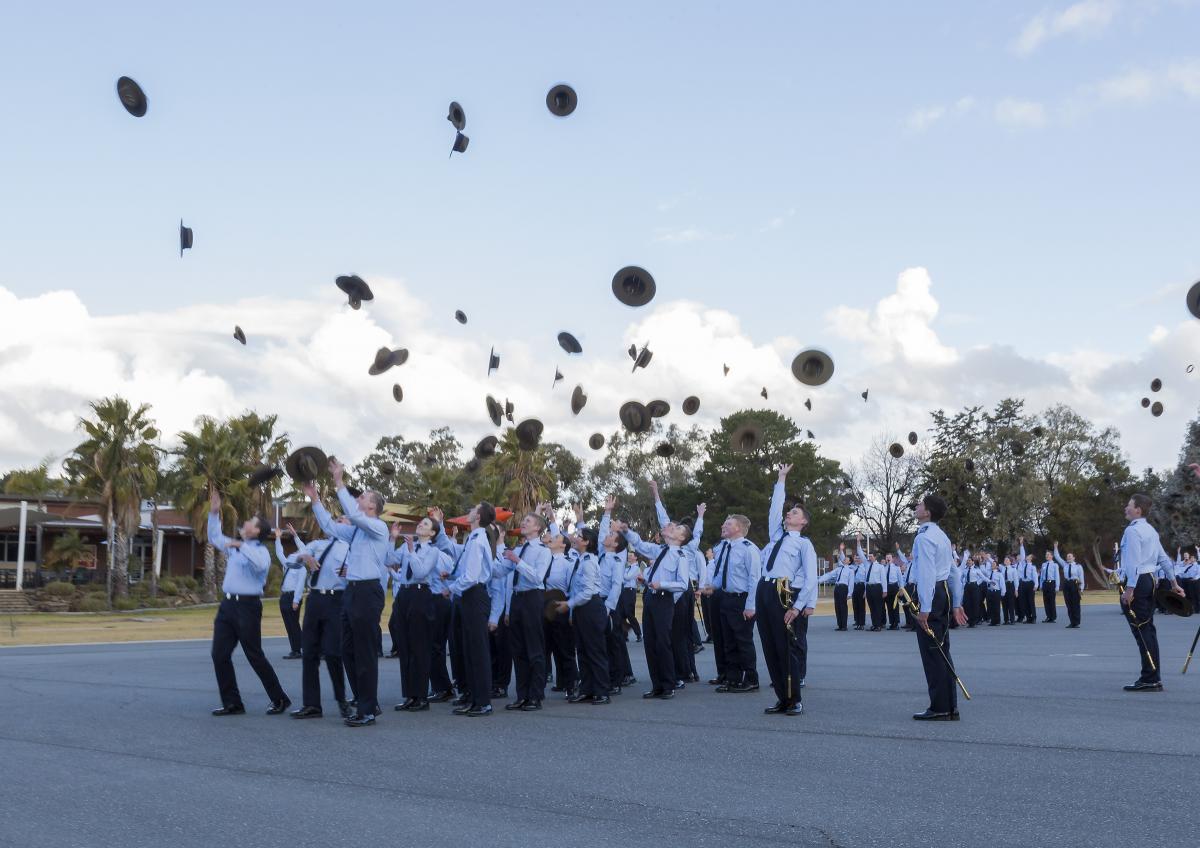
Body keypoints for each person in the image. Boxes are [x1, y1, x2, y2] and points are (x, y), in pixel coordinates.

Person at [303, 459, 389, 728]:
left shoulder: (378, 528)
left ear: (372, 506)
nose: (359, 497)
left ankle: (367, 711)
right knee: (346, 650)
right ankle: (366, 700)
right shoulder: (356, 532)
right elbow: (330, 527)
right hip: (351, 593)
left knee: (364, 652)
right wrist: (316, 500)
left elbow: (353, 515)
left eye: (363, 496)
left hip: (367, 592)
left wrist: (339, 481)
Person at [207, 489, 290, 717]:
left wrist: (240, 546)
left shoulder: (260, 551)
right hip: (227, 607)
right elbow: (214, 538)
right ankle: (233, 703)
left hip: (247, 607)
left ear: (257, 531)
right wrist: (214, 513)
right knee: (219, 654)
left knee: (254, 655)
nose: (244, 523)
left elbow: (261, 566)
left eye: (250, 523)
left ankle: (280, 698)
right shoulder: (236, 547)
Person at [757, 464, 817, 717]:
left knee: (786, 648)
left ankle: (794, 699)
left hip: (784, 593)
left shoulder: (803, 544)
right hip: (765, 591)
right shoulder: (775, 536)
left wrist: (797, 606)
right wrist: (781, 479)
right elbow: (774, 510)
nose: (788, 515)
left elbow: (811, 577)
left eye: (794, 513)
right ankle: (782, 697)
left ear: (803, 521)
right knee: (770, 647)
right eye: (788, 512)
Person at [279, 521, 352, 720]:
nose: (337, 523)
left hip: (336, 599)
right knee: (309, 651)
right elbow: (292, 560)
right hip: (315, 598)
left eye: (343, 521)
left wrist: (352, 571)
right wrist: (305, 556)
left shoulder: (352, 547)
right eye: (336, 521)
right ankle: (312, 705)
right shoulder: (317, 544)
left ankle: (342, 700)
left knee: (332, 652)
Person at [615, 517, 690, 699]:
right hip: (650, 599)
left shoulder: (680, 556)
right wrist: (626, 531)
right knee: (650, 643)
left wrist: (662, 584)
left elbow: (683, 584)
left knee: (663, 643)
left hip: (664, 600)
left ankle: (668, 685)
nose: (672, 528)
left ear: (681, 538)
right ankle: (657, 685)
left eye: (677, 528)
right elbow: (640, 545)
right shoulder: (660, 550)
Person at [436, 501, 498, 716]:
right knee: (468, 649)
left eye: (473, 509)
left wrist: (450, 588)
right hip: (468, 595)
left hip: (474, 595)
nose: (469, 511)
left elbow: (472, 576)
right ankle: (472, 696)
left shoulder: (479, 538)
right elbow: (464, 568)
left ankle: (483, 701)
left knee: (477, 651)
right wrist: (452, 576)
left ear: (478, 517)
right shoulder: (473, 537)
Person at [1118, 493, 1185, 692]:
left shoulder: (1133, 532)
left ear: (1137, 509)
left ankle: (1150, 677)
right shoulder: (1151, 530)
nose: (1125, 508)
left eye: (1128, 504)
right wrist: (1173, 583)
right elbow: (1164, 559)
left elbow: (1133, 562)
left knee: (1142, 631)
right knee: (1148, 630)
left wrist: (1129, 589)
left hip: (1137, 583)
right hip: (1149, 581)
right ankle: (1152, 675)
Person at [909, 494, 967, 721]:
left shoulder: (924, 539)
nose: (917, 506)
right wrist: (957, 603)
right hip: (942, 593)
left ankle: (940, 707)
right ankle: (949, 706)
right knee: (941, 649)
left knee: (933, 652)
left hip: (931, 594)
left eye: (921, 504)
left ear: (928, 512)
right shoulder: (941, 536)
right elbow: (954, 573)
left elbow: (926, 574)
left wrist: (924, 608)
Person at [387, 516, 449, 712]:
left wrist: (413, 551)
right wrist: (392, 538)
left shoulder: (433, 550)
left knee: (419, 647)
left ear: (432, 533)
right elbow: (389, 560)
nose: (420, 525)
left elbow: (421, 572)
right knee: (404, 647)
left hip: (421, 594)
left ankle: (421, 696)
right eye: (420, 522)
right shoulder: (405, 546)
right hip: (404, 594)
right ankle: (410, 695)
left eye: (426, 524)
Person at [497, 509, 552, 712]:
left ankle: (535, 695)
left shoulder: (543, 551)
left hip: (532, 599)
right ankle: (522, 695)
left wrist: (517, 561)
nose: (524, 523)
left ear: (537, 527)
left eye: (528, 521)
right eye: (524, 521)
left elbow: (537, 577)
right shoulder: (519, 549)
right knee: (518, 649)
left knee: (534, 648)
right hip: (517, 599)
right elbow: (503, 571)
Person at [707, 512, 761, 692]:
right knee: (729, 641)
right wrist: (711, 588)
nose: (724, 526)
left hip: (741, 600)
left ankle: (751, 679)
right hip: (726, 598)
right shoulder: (725, 548)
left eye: (728, 524)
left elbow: (754, 579)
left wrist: (751, 606)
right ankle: (733, 679)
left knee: (743, 641)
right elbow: (722, 575)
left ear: (738, 527)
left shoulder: (748, 548)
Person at [562, 528, 612, 704]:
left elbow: (588, 592)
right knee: (582, 650)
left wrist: (568, 604)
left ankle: (602, 691)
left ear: (586, 542)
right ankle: (587, 689)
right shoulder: (580, 559)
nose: (574, 539)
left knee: (595, 650)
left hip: (591, 607)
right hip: (581, 609)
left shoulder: (589, 561)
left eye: (579, 537)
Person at [588, 498, 630, 694]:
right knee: (601, 642)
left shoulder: (616, 561)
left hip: (608, 605)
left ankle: (616, 680)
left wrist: (608, 608)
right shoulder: (601, 553)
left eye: (611, 535)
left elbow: (616, 586)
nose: (606, 535)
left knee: (613, 642)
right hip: (596, 602)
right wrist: (606, 513)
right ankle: (605, 677)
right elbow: (601, 533)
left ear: (615, 544)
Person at [276, 532, 306, 659]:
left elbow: (300, 586)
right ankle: (295, 649)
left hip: (293, 597)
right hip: (284, 596)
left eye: (296, 553)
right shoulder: (288, 565)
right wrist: (277, 537)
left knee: (294, 624)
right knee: (289, 624)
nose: (292, 554)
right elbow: (279, 554)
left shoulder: (301, 568)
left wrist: (296, 600)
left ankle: (299, 649)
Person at [817, 544, 854, 631]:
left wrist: (849, 593)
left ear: (849, 562)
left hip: (843, 588)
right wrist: (818, 581)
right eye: (844, 559)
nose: (844, 559)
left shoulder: (850, 571)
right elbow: (829, 575)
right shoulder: (838, 569)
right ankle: (840, 625)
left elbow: (851, 583)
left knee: (843, 606)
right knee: (837, 606)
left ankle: (844, 625)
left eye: (846, 559)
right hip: (837, 588)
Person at [1053, 542, 1084, 628]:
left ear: (1074, 558)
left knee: (1075, 604)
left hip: (1075, 584)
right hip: (1067, 584)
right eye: (1067, 556)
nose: (1068, 557)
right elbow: (1057, 557)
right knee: (1069, 604)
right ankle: (1072, 622)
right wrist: (1055, 547)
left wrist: (1081, 589)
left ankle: (1077, 622)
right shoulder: (1065, 565)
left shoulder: (1078, 566)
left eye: (1070, 556)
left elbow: (1081, 578)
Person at [1017, 539, 1038, 624]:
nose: (1026, 556)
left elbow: (1035, 576)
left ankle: (1033, 617)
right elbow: (1022, 554)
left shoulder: (1032, 567)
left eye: (1028, 556)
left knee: (1030, 601)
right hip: (1023, 583)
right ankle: (1028, 617)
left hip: (1030, 584)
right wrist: (1021, 544)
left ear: (1031, 559)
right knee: (1024, 601)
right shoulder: (1022, 564)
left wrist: (1036, 585)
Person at [1039, 549, 1059, 623]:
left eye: (1048, 554)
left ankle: (1053, 617)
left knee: (1051, 600)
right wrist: (1041, 585)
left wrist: (1057, 586)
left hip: (1051, 583)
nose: (1046, 556)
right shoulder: (1043, 564)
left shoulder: (1055, 565)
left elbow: (1057, 576)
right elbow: (1041, 576)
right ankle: (1048, 616)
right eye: (1046, 554)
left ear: (1052, 556)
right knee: (1046, 600)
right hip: (1045, 583)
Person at [1001, 555, 1018, 625]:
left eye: (1007, 560)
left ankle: (1012, 619)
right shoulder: (1002, 569)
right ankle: (1006, 620)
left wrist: (1016, 589)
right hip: (1004, 585)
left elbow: (1016, 580)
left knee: (1011, 603)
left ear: (1010, 562)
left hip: (1010, 585)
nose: (1006, 561)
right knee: (1004, 603)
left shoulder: (1013, 569)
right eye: (1005, 560)